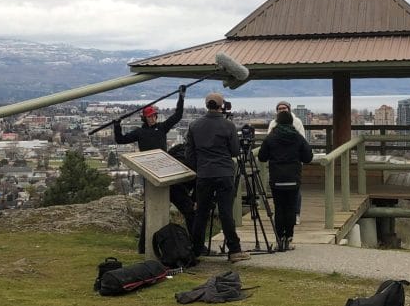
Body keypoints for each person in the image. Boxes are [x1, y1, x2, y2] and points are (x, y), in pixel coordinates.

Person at [114, 86, 192, 252]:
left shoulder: (162, 128)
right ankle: (143, 247)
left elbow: (177, 116)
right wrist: (117, 125)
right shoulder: (139, 132)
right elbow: (120, 140)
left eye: (154, 116)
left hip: (167, 173)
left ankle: (194, 243)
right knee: (149, 212)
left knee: (187, 207)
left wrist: (181, 97)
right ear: (145, 118)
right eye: (149, 117)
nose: (152, 119)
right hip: (151, 175)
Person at [185, 92, 249, 262]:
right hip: (224, 173)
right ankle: (234, 250)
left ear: (206, 105)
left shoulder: (194, 125)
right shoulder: (228, 126)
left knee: (201, 213)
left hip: (204, 174)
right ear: (222, 105)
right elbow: (235, 151)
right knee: (226, 212)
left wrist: (199, 168)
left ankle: (197, 248)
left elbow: (190, 154)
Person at [258, 110, 313, 251]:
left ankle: (279, 239)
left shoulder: (271, 137)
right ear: (291, 122)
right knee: (290, 208)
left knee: (279, 208)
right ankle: (289, 238)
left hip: (277, 178)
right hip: (293, 178)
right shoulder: (298, 138)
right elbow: (308, 157)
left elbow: (262, 157)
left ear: (277, 122)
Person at [266, 101, 306, 224]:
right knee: (280, 192)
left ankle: (296, 213)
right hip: (278, 162)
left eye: (284, 108)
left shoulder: (297, 122)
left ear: (289, 109)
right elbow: (269, 141)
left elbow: (302, 139)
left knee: (295, 190)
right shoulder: (273, 123)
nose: (282, 110)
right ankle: (283, 218)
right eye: (279, 108)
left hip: (292, 161)